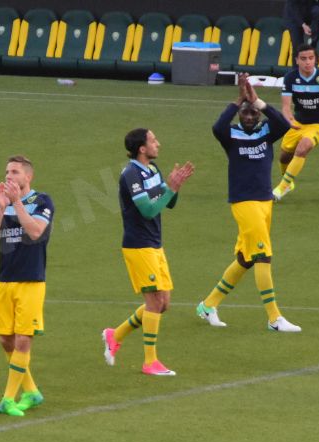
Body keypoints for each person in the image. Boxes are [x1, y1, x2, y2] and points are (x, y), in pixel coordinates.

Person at [197, 74, 302, 332]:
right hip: (244, 202)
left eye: (253, 113)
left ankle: (208, 305)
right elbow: (216, 127)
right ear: (239, 115)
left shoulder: (266, 132)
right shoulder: (230, 135)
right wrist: (238, 100)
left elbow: (283, 124)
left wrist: (259, 101)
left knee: (245, 258)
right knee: (263, 256)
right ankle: (274, 318)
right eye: (245, 113)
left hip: (265, 201)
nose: (249, 117)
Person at [102, 130, 194, 376]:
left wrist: (175, 187)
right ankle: (150, 362)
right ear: (141, 148)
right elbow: (148, 211)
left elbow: (168, 203)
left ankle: (115, 335)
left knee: (163, 304)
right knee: (153, 303)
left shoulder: (152, 170)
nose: (158, 144)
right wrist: (169, 189)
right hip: (138, 245)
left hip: (155, 244)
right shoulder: (131, 174)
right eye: (153, 140)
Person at [0, 155, 54, 417]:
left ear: (28, 176)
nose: (8, 176)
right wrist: (1, 208)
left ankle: (8, 399)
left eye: (14, 172)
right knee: (6, 339)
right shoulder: (0, 203)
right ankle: (32, 392)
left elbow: (36, 232)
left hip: (31, 280)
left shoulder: (42, 201)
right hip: (5, 280)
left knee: (23, 340)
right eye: (6, 171)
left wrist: (17, 203)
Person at [273, 43, 319, 200]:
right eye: (303, 58)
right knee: (284, 157)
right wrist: (289, 120)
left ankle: (281, 188)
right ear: (297, 60)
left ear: (316, 60)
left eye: (311, 58)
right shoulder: (290, 78)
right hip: (298, 122)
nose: (308, 62)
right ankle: (289, 182)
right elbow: (286, 107)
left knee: (303, 148)